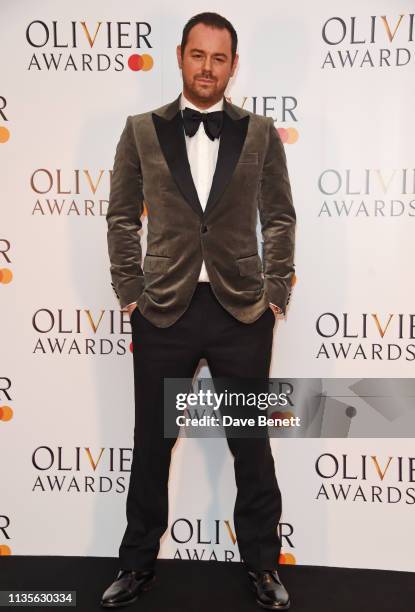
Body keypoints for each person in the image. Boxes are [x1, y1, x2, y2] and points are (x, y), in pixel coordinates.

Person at [101, 11, 296, 610]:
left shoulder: (260, 133)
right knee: (151, 443)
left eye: (219, 58)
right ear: (180, 56)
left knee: (251, 444)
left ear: (233, 66)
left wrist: (276, 295)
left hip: (241, 313)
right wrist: (130, 289)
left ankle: (263, 566)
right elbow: (120, 216)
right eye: (197, 55)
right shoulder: (140, 130)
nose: (207, 67)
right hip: (164, 312)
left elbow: (280, 217)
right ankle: (136, 567)